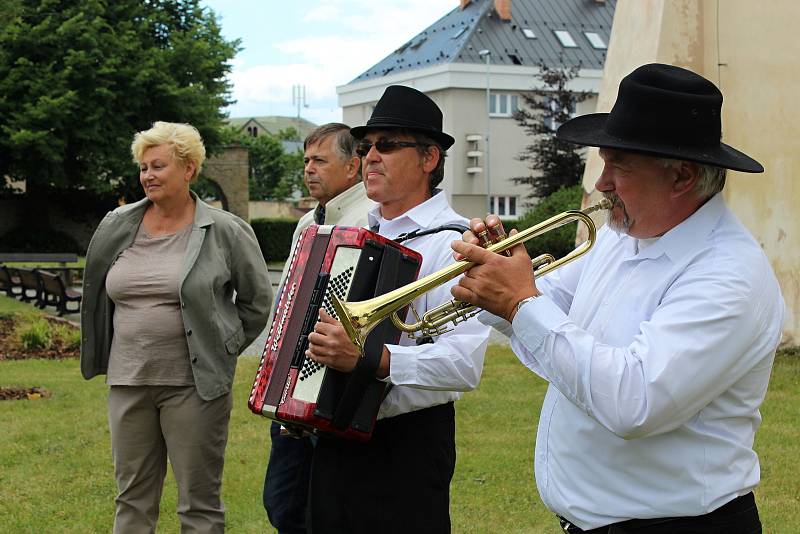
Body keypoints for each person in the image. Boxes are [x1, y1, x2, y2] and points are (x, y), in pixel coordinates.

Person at [450, 63, 785, 533]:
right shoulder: (621, 235)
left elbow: (634, 402)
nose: (601, 183)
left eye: (619, 166)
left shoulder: (729, 274)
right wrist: (497, 280)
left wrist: (518, 301)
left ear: (681, 177)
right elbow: (553, 314)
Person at [304, 85, 491, 534]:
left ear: (429, 159)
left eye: (387, 145)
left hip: (405, 444)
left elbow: (463, 366)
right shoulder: (351, 234)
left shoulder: (456, 242)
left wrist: (371, 359)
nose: (370, 157)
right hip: (332, 434)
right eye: (367, 147)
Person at [80, 121, 272, 533]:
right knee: (131, 498)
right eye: (144, 167)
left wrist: (223, 346)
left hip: (195, 386)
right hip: (128, 380)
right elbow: (98, 289)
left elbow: (257, 302)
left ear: (188, 169)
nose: (148, 175)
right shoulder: (118, 225)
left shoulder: (226, 230)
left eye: (158, 165)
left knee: (198, 504)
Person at [262, 122, 373, 534]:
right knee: (283, 503)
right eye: (306, 160)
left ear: (352, 166)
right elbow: (289, 298)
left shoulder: (372, 219)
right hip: (293, 387)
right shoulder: (308, 220)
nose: (309, 169)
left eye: (320, 161)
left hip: (336, 390)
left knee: (320, 510)